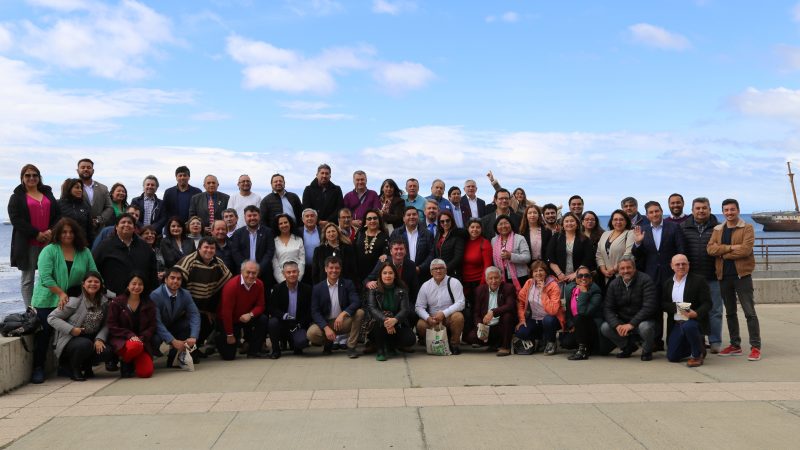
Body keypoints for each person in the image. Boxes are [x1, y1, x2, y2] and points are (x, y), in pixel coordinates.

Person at [29, 218, 97, 384]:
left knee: (68, 334)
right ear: (58, 233)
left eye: (71, 232)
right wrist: (60, 293)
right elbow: (45, 277)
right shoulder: (49, 250)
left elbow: (94, 272)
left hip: (72, 300)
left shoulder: (84, 251)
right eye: (64, 232)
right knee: (44, 334)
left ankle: (65, 366)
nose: (68, 235)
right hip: (47, 298)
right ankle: (38, 368)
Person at [707, 198, 761, 361]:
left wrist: (722, 254)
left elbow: (745, 250)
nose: (729, 213)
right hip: (723, 276)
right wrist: (730, 248)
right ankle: (735, 345)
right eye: (726, 210)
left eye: (732, 209)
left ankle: (755, 347)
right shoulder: (718, 229)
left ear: (738, 210)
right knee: (730, 313)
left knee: (749, 312)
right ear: (723, 212)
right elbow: (710, 249)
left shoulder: (747, 228)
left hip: (741, 276)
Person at [633, 200, 685, 351]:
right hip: (651, 277)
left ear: (662, 211)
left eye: (657, 211)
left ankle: (676, 340)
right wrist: (637, 244)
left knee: (677, 309)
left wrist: (681, 271)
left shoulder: (674, 227)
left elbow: (681, 250)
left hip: (673, 276)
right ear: (647, 215)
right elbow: (638, 256)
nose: (654, 214)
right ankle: (656, 341)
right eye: (651, 212)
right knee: (654, 310)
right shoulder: (641, 230)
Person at [9, 164, 60, 306]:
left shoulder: (48, 194)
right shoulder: (16, 197)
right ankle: (30, 311)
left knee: (50, 276)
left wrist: (51, 231)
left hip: (49, 242)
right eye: (28, 175)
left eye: (35, 175)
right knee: (28, 279)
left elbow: (58, 215)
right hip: (28, 243)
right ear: (22, 178)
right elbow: (16, 219)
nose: (31, 178)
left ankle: (48, 307)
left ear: (39, 177)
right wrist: (36, 233)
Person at [47, 271, 113, 381]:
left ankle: (88, 367)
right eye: (89, 281)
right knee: (85, 344)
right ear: (83, 284)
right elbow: (52, 318)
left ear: (101, 285)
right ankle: (74, 369)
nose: (93, 284)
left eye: (96, 282)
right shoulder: (74, 301)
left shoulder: (104, 302)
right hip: (71, 340)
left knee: (107, 351)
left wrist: (99, 339)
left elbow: (106, 324)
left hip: (92, 337)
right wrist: (72, 329)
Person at [174, 237, 232, 350]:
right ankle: (184, 350)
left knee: (210, 322)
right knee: (188, 326)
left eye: (212, 248)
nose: (209, 250)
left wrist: (212, 310)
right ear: (199, 248)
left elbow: (227, 283)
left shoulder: (218, 262)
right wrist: (185, 309)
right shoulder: (189, 261)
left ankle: (196, 347)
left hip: (205, 306)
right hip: (187, 306)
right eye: (206, 247)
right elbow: (177, 286)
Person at [681, 197, 723, 353]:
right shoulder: (683, 227)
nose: (701, 211)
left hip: (713, 276)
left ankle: (715, 341)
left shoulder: (719, 228)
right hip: (690, 278)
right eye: (697, 208)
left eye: (704, 208)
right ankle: (695, 339)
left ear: (710, 209)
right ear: (692, 210)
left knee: (715, 311)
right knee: (688, 310)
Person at [600, 256, 658, 361]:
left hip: (644, 321)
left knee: (646, 327)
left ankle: (647, 350)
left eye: (629, 268)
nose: (626, 271)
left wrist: (631, 324)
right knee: (605, 327)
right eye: (622, 268)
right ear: (618, 270)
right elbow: (608, 308)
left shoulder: (646, 280)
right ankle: (627, 347)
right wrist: (616, 325)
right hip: (623, 321)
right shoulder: (614, 284)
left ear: (634, 268)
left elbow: (649, 307)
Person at [307, 256, 365, 358]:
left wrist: (343, 314)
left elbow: (356, 302)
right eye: (331, 268)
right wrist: (326, 328)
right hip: (326, 323)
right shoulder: (318, 288)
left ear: (340, 269)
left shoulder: (348, 284)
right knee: (311, 333)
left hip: (343, 322)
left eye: (337, 268)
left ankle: (351, 347)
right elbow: (315, 312)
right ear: (325, 269)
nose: (334, 270)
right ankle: (328, 343)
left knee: (360, 313)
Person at [662, 254, 711, 367]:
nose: (681, 266)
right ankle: (697, 346)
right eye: (677, 264)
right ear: (672, 266)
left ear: (688, 265)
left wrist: (696, 313)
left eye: (684, 264)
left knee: (689, 326)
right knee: (672, 357)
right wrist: (679, 307)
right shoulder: (668, 283)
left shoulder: (699, 280)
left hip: (693, 321)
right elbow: (663, 304)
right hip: (676, 323)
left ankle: (696, 355)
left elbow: (708, 303)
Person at [93, 213, 157, 296]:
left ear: (134, 227)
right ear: (116, 227)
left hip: (140, 297)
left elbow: (152, 272)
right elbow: (93, 269)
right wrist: (103, 289)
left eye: (129, 223)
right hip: (112, 297)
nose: (126, 225)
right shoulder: (105, 246)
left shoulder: (145, 247)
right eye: (123, 222)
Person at [107, 272, 157, 378]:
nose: (137, 287)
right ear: (128, 285)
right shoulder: (116, 302)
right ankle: (127, 361)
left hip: (141, 341)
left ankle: (127, 359)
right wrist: (130, 336)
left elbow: (152, 326)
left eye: (140, 284)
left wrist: (141, 338)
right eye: (134, 284)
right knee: (135, 345)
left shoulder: (149, 304)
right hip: (121, 340)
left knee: (146, 373)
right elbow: (111, 325)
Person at [216, 260, 270, 360]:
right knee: (229, 356)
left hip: (245, 317)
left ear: (258, 273)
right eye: (248, 272)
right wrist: (229, 334)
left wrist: (250, 314)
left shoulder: (259, 284)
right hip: (229, 320)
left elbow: (261, 306)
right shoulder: (231, 286)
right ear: (242, 272)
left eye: (254, 273)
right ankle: (219, 338)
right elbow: (226, 313)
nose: (250, 275)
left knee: (263, 319)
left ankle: (253, 351)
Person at [150, 267, 201, 368]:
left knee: (188, 325)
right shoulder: (156, 295)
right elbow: (157, 322)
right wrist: (173, 341)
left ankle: (175, 358)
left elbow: (195, 314)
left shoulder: (185, 294)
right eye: (172, 278)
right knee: (155, 339)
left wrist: (193, 336)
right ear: (165, 279)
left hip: (172, 324)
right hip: (156, 329)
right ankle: (150, 355)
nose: (175, 281)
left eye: (179, 279)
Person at [366, 262, 416, 361]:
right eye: (384, 273)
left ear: (395, 275)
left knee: (410, 339)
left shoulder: (402, 289)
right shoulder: (374, 289)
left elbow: (405, 309)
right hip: (378, 324)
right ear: (380, 275)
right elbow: (372, 309)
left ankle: (390, 346)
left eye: (390, 273)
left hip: (397, 323)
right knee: (379, 323)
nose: (387, 276)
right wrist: (386, 320)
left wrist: (395, 320)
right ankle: (380, 350)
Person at [415, 259, 466, 355]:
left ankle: (454, 344)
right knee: (420, 324)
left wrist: (444, 313)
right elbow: (419, 307)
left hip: (448, 318)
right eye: (435, 269)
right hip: (432, 320)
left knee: (458, 317)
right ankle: (432, 343)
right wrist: (428, 318)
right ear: (431, 272)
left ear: (446, 270)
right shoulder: (425, 286)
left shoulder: (454, 282)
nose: (438, 271)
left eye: (441, 268)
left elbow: (461, 303)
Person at [515, 261, 562, 355]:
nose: (538, 273)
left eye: (541, 270)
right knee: (520, 332)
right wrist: (522, 319)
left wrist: (543, 292)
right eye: (535, 271)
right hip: (534, 318)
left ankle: (551, 342)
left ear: (546, 272)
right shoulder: (529, 283)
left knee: (548, 320)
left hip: (550, 319)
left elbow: (553, 311)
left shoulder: (553, 285)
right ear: (532, 273)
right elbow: (520, 301)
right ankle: (539, 340)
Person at [268, 261, 312, 358]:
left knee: (301, 343)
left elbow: (309, 311)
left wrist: (300, 324)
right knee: (272, 322)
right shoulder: (277, 288)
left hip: (298, 325)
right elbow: (272, 308)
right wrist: (283, 315)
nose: (292, 274)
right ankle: (276, 350)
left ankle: (294, 343)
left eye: (294, 271)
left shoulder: (307, 289)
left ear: (298, 272)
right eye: (288, 272)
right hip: (282, 323)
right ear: (284, 274)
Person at [469, 266, 516, 356]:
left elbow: (510, 306)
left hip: (501, 325)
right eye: (491, 278)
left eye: (496, 278)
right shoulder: (480, 290)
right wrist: (480, 326)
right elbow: (476, 313)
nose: (494, 281)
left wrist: (493, 312)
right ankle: (494, 344)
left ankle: (505, 346)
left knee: (507, 316)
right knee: (471, 337)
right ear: (486, 280)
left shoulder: (508, 288)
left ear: (501, 278)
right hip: (487, 326)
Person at [562, 265, 603, 360]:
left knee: (579, 317)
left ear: (591, 278)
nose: (583, 278)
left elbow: (583, 312)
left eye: (586, 275)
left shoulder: (596, 292)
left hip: (592, 327)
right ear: (576, 279)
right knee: (566, 343)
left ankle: (582, 351)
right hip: (578, 325)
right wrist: (571, 324)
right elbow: (568, 310)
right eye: (580, 276)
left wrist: (584, 293)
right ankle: (586, 346)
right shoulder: (570, 289)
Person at [460, 218, 492, 340]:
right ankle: (467, 334)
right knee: (466, 310)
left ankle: (478, 336)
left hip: (479, 282)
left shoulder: (485, 243)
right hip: (465, 283)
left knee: (477, 310)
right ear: (468, 229)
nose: (475, 230)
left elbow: (487, 266)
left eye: (477, 227)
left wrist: (482, 285)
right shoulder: (464, 242)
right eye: (472, 227)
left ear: (481, 229)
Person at [230, 205, 275, 280]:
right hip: (244, 273)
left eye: (255, 215)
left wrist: (259, 268)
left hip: (263, 273)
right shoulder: (238, 233)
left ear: (259, 216)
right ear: (245, 217)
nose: (252, 218)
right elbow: (235, 252)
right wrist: (246, 268)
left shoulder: (268, 232)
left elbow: (270, 251)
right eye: (249, 216)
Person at [547, 212, 594, 284]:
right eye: (566, 221)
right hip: (558, 277)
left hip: (579, 278)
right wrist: (559, 274)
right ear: (562, 224)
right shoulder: (556, 237)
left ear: (577, 224)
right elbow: (550, 257)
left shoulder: (585, 239)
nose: (569, 223)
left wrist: (576, 274)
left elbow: (588, 259)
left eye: (572, 221)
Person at [389, 206, 435, 279]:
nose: (412, 217)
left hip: (422, 274)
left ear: (418, 217)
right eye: (408, 215)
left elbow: (431, 254)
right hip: (400, 274)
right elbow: (391, 252)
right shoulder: (396, 233)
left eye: (414, 214)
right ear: (404, 218)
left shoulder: (427, 234)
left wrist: (420, 268)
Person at [596, 210, 635, 290]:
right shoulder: (605, 234)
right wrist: (603, 270)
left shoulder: (630, 233)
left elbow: (628, 254)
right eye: (615, 219)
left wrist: (614, 269)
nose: (618, 222)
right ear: (611, 221)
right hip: (605, 276)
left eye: (621, 219)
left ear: (626, 221)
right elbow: (599, 254)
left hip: (622, 275)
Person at [491, 215, 531, 291]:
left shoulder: (519, 238)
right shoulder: (493, 240)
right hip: (501, 276)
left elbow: (527, 257)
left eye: (506, 223)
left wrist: (511, 256)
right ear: (496, 227)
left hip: (520, 276)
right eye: (500, 224)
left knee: (521, 299)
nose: (503, 226)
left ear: (511, 225)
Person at [76, 158, 113, 230]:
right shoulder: (70, 187)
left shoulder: (103, 188)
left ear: (93, 171)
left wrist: (98, 220)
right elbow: (65, 206)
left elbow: (109, 207)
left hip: (98, 230)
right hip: (78, 229)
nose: (86, 169)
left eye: (89, 167)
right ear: (77, 170)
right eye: (83, 167)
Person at [354, 209, 389, 286]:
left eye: (375, 218)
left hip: (375, 277)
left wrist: (385, 255)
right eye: (369, 219)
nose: (372, 221)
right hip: (358, 275)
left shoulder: (384, 236)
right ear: (365, 221)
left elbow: (386, 252)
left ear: (379, 220)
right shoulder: (360, 233)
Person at [162, 166, 202, 232]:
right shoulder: (169, 192)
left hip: (191, 228)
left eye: (185, 175)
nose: (182, 177)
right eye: (180, 175)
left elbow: (200, 211)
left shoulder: (197, 192)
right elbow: (165, 211)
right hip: (174, 228)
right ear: (176, 177)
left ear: (189, 177)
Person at [272, 214, 305, 283]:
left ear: (290, 223)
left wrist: (297, 279)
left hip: (297, 278)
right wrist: (282, 281)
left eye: (286, 222)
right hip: (280, 279)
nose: (284, 225)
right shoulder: (274, 241)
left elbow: (302, 261)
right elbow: (275, 263)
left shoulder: (298, 239)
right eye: (280, 223)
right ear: (277, 226)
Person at [58, 178, 93, 242]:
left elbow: (89, 228)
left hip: (81, 243)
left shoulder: (85, 205)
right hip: (63, 242)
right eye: (77, 187)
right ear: (69, 188)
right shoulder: (59, 204)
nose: (80, 190)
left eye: (81, 188)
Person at [434, 210, 465, 279]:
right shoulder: (438, 234)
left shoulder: (458, 234)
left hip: (453, 273)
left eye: (447, 220)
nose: (445, 223)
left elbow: (458, 257)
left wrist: (445, 269)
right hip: (439, 272)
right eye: (442, 221)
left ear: (452, 221)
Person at [299, 208, 322, 285]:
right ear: (302, 219)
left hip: (319, 269)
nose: (309, 218)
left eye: (312, 216)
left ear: (316, 218)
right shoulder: (297, 232)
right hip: (303, 269)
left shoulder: (322, 231)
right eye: (307, 216)